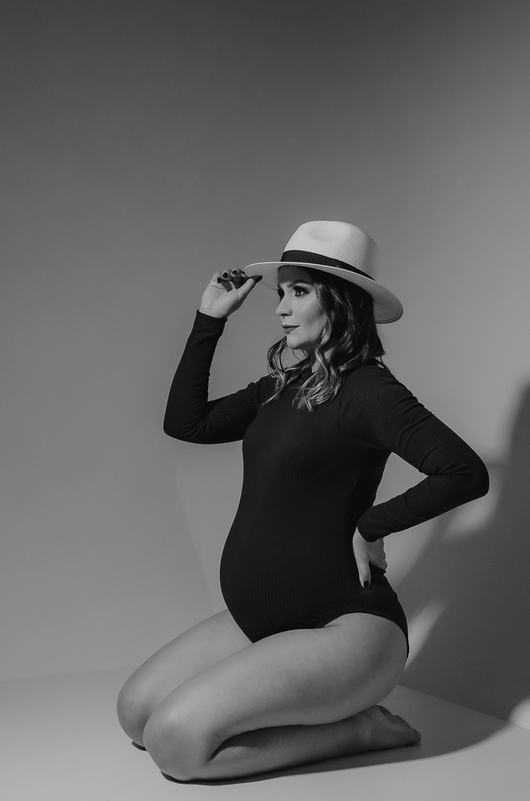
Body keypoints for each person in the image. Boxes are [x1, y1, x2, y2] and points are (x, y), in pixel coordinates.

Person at [116, 220, 489, 781]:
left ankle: (360, 729)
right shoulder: (278, 388)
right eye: (281, 292)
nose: (281, 308)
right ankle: (323, 713)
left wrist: (372, 525)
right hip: (262, 619)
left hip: (344, 629)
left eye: (299, 291)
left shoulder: (370, 390)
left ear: (339, 301)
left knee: (176, 745)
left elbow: (464, 471)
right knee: (135, 714)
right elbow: (186, 424)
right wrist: (210, 319)